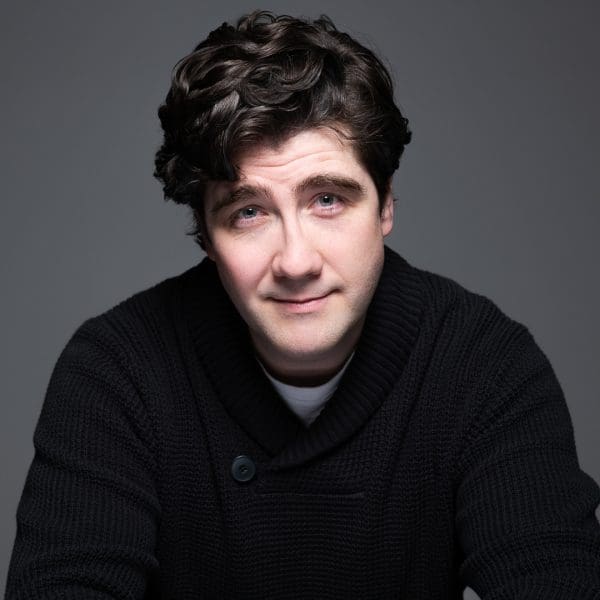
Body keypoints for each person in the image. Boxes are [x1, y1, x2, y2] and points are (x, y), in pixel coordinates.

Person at [6, 11, 600, 599]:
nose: (295, 261)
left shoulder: (483, 364)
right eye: (248, 212)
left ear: (385, 206)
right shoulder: (118, 370)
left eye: (327, 200)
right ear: (207, 238)